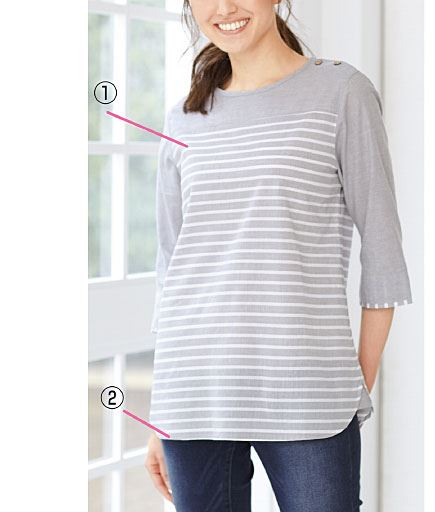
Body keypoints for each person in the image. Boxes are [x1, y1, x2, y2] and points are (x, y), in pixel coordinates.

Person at [145, 0, 413, 510]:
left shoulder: (341, 92)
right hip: (193, 395)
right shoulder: (182, 119)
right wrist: (162, 415)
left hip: (309, 394)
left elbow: (383, 254)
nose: (224, 8)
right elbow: (171, 272)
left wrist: (353, 386)